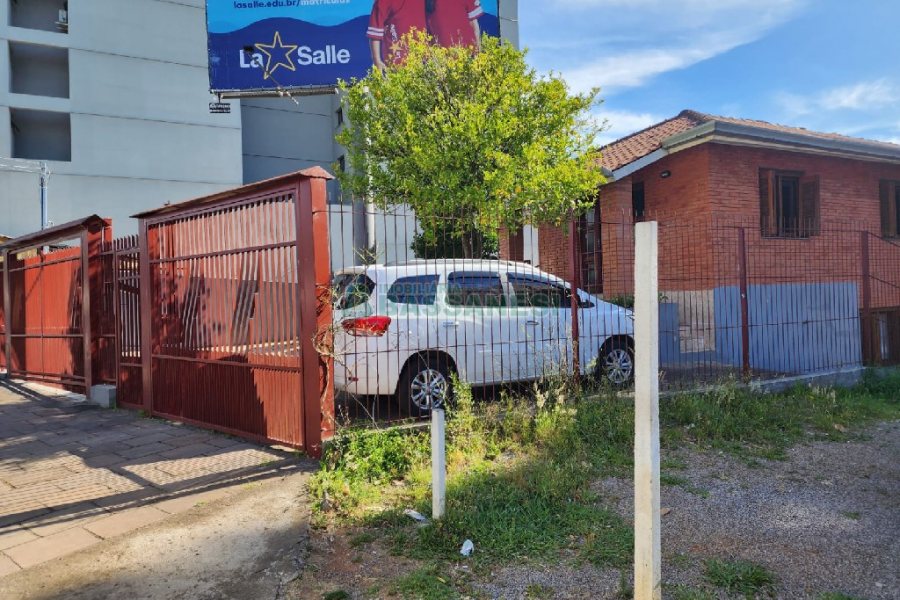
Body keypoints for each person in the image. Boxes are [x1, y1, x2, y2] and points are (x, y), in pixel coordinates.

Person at [367, 0, 428, 69]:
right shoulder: (383, 2)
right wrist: (377, 61)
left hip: (423, 61)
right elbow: (375, 30)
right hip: (397, 63)